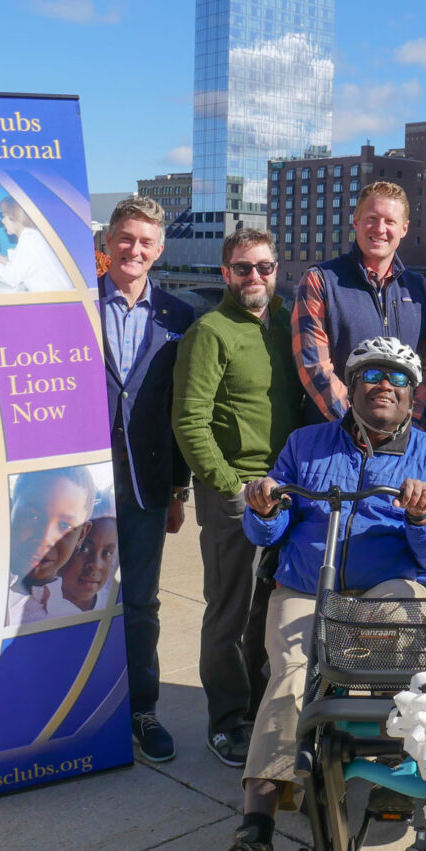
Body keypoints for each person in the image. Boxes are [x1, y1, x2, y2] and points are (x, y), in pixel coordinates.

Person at [206, 337, 426, 851]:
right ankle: (254, 837)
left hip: (383, 591)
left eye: (397, 377)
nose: (383, 384)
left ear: (413, 394)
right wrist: (264, 507)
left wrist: (423, 519)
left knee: (415, 614)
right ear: (349, 386)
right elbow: (267, 534)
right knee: (291, 674)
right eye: (370, 374)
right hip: (307, 587)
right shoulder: (306, 444)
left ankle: (400, 764)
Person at [173, 227, 305, 768]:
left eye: (265, 268)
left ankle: (259, 712)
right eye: (244, 268)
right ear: (225, 273)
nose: (256, 277)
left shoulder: (286, 327)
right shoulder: (211, 331)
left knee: (269, 612)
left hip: (291, 491)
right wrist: (230, 487)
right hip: (236, 492)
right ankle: (227, 721)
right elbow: (189, 420)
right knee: (230, 611)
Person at [98, 196, 196, 762]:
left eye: (146, 242)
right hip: (80, 481)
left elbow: (177, 411)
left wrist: (178, 490)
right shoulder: (72, 307)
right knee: (69, 599)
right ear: (107, 242)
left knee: (140, 603)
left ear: (159, 250)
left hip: (146, 482)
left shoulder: (177, 317)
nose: (134, 249)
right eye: (125, 238)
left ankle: (142, 709)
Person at [291, 180, 426, 424]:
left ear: (404, 228)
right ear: (356, 222)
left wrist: (409, 428)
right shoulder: (321, 281)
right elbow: (314, 367)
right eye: (372, 218)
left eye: (390, 221)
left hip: (401, 446)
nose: (380, 229)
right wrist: (359, 426)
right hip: (335, 439)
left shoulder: (422, 291)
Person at [5, 467, 96, 626]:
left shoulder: (74, 622)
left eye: (64, 526)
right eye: (32, 516)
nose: (45, 538)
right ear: (9, 511)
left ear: (81, 535)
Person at [0, 196, 70, 292]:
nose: (2, 221)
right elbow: (26, 268)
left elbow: (11, 278)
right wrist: (8, 263)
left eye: (4, 216)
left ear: (14, 217)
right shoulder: (33, 235)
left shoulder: (29, 240)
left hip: (57, 304)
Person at [55, 489, 119, 615]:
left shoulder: (113, 604)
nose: (96, 564)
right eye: (83, 549)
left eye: (106, 553)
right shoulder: (38, 609)